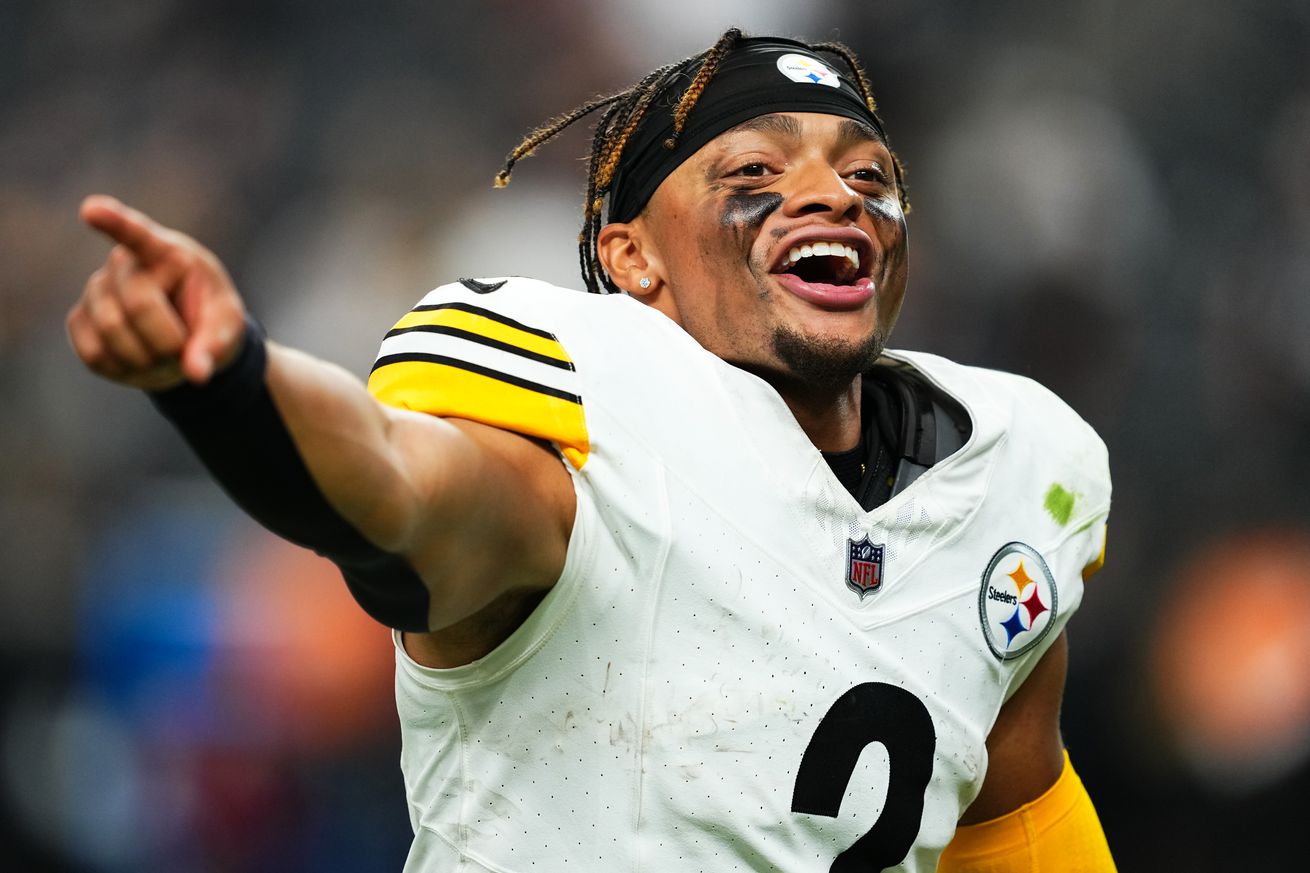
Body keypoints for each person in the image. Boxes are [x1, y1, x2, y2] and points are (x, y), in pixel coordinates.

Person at [67, 28, 1116, 872]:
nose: (830, 194)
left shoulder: (1013, 469)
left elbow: (1011, 827)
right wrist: (231, 382)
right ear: (633, 259)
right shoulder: (587, 428)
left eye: (865, 174)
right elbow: (392, 486)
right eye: (753, 168)